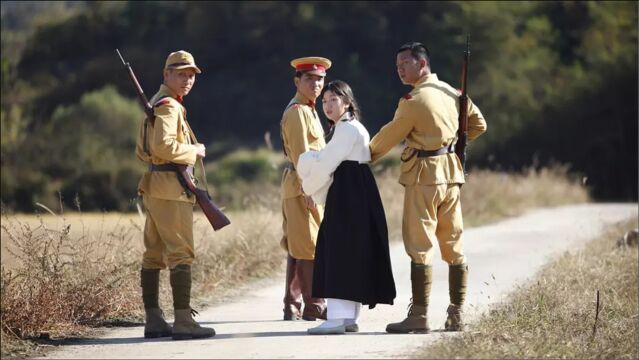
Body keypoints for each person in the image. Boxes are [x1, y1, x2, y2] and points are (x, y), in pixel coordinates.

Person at [369, 42, 487, 333]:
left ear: (422, 64)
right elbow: (478, 124)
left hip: (423, 176)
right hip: (451, 174)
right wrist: (453, 143)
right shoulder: (453, 93)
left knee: (420, 245)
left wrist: (363, 155)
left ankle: (419, 316)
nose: (399, 70)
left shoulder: (414, 100)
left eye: (405, 64)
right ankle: (456, 313)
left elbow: (388, 137)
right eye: (397, 66)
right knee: (453, 243)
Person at [297, 80, 397, 335]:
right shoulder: (348, 128)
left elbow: (326, 163)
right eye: (325, 101)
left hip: (349, 193)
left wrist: (306, 181)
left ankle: (338, 318)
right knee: (351, 249)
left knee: (340, 249)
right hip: (353, 190)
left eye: (334, 100)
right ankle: (348, 317)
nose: (328, 106)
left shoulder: (346, 130)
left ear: (347, 102)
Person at [135, 50, 215, 340]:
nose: (187, 80)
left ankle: (154, 319)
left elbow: (143, 150)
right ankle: (183, 321)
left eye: (191, 75)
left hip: (156, 186)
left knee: (154, 254)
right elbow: (164, 148)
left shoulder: (157, 103)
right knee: (181, 253)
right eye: (181, 74)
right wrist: (194, 151)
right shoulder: (169, 106)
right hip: (171, 188)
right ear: (166, 74)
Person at [279, 56, 331, 321]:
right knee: (309, 245)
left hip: (306, 183)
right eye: (310, 79)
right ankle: (315, 304)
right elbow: (302, 156)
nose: (316, 84)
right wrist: (309, 189)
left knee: (300, 244)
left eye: (320, 79)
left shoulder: (308, 109)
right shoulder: (299, 112)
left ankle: (293, 303)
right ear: (297, 81)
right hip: (303, 184)